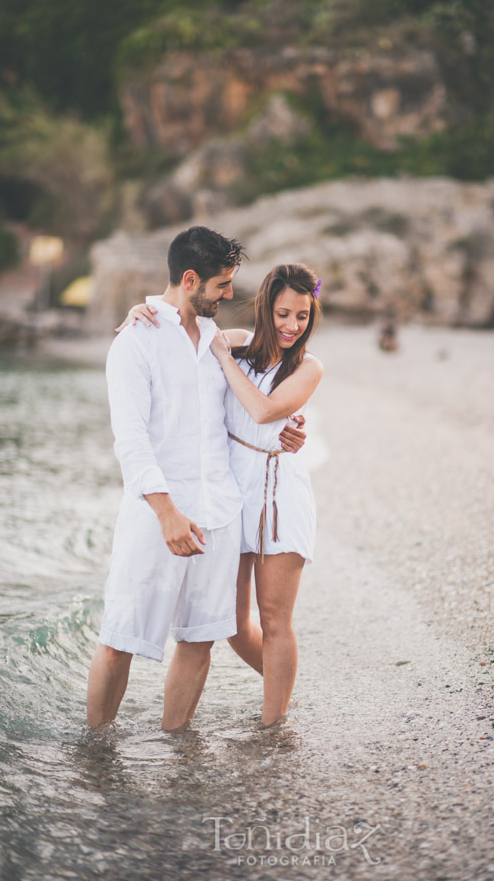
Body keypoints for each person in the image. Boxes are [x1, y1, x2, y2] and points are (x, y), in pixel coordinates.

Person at [86, 226, 305, 732]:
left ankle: (175, 744)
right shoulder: (134, 343)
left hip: (220, 514)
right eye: (222, 284)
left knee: (199, 638)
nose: (229, 293)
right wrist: (166, 512)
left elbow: (255, 400)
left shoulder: (215, 340)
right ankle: (95, 752)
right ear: (190, 279)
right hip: (156, 516)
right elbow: (131, 441)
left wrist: (290, 430)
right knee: (121, 638)